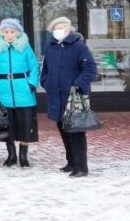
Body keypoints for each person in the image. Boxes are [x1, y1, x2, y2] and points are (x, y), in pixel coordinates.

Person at [41, 17, 97, 178]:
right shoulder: (51, 47)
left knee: (76, 131)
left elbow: (90, 69)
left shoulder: (79, 47)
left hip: (74, 96)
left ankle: (81, 167)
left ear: (69, 29)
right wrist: (46, 82)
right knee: (64, 129)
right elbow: (45, 69)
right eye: (56, 28)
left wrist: (78, 84)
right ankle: (71, 162)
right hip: (56, 95)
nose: (59, 31)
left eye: (62, 28)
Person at [0, 18, 40, 168]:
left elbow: (34, 66)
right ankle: (11, 155)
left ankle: (23, 156)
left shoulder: (25, 47)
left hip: (23, 90)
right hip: (3, 90)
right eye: (6, 31)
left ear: (18, 32)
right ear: (2, 33)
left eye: (12, 31)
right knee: (6, 125)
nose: (9, 34)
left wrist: (32, 84)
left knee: (25, 124)